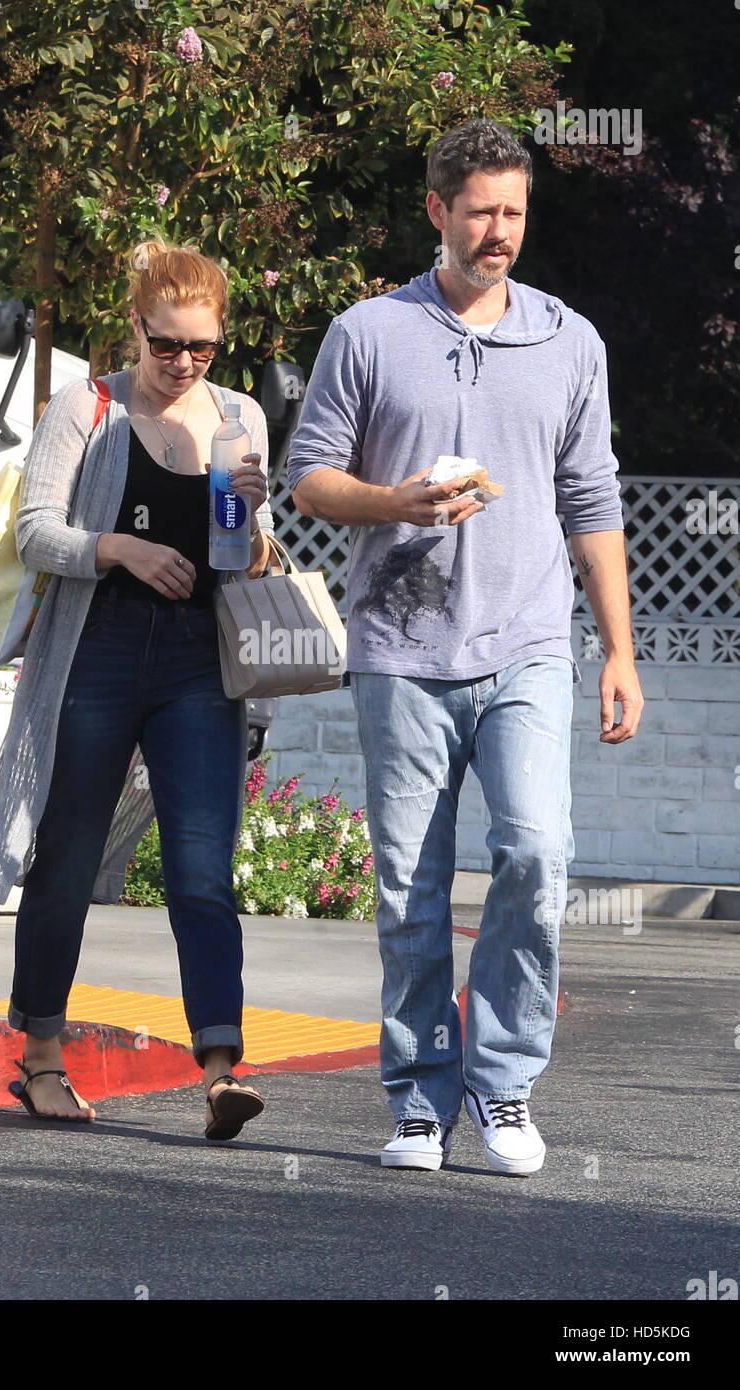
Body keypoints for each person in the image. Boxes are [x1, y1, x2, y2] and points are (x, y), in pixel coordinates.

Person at [287, 118, 644, 1175]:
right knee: (409, 884)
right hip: (399, 647)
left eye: (515, 213)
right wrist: (390, 499)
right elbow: (309, 474)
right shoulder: (367, 333)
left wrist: (618, 651)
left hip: (529, 641)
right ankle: (414, 1096)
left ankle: (502, 1085)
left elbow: (593, 499)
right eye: (481, 211)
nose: (500, 232)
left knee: (536, 852)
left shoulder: (569, 340)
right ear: (436, 210)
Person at [0, 237, 273, 1139]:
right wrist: (118, 548)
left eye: (200, 349)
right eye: (166, 344)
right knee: (67, 854)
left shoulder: (237, 414)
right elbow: (35, 533)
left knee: (201, 867)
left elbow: (253, 558)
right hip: (96, 645)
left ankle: (219, 1068)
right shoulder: (86, 406)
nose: (181, 364)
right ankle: (44, 1058)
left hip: (197, 660)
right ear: (136, 328)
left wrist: (251, 515)